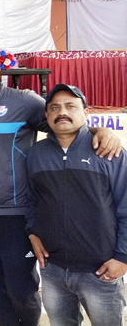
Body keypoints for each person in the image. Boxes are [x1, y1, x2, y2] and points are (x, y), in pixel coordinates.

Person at [0, 42, 123, 326]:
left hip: (15, 216)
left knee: (21, 289)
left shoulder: (24, 102)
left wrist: (101, 129)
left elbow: (65, 123)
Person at [26, 84, 127, 326]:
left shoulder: (108, 151)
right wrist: (32, 232)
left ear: (86, 112)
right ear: (47, 116)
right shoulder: (36, 154)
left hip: (101, 271)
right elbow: (32, 201)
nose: (62, 112)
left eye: (71, 106)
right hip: (53, 271)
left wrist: (123, 257)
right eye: (54, 107)